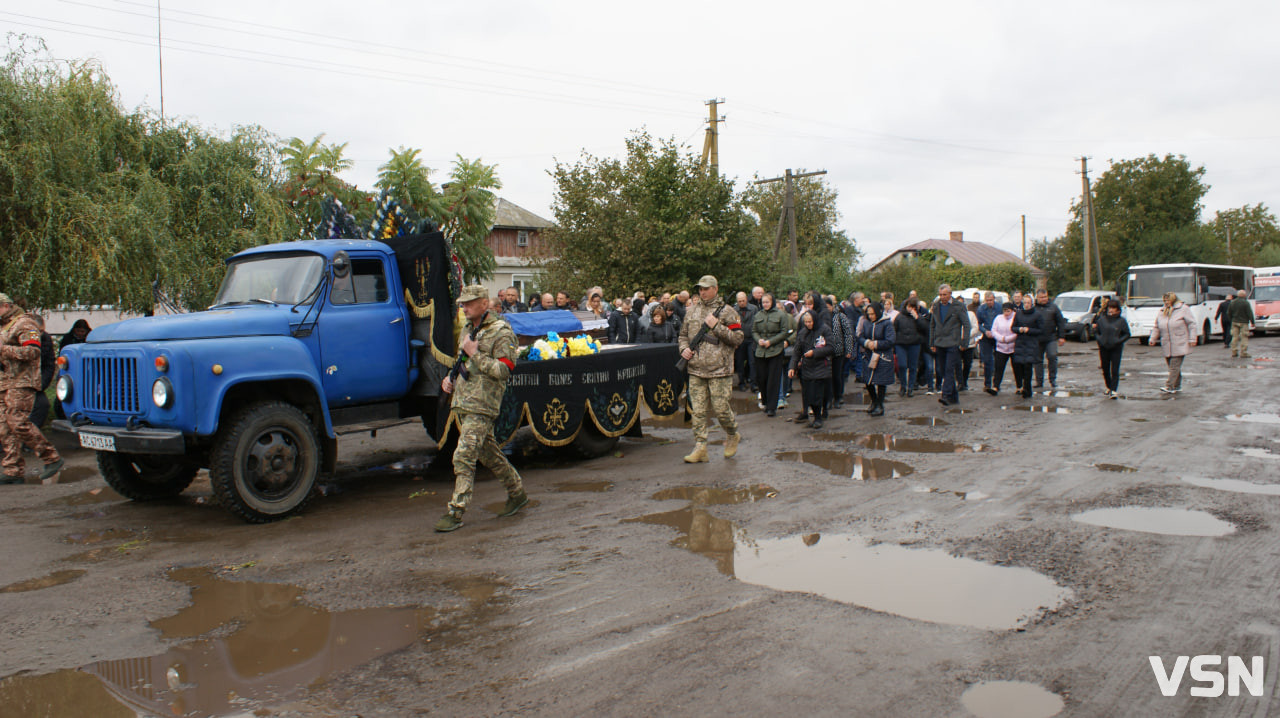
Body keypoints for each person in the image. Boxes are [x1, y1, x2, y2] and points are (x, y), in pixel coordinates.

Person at [434, 286, 527, 532]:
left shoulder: (501, 332)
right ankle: (517, 493)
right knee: (488, 454)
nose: (463, 307)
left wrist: (475, 356)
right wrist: (450, 379)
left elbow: (503, 371)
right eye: (462, 303)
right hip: (465, 400)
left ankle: (456, 511)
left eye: (469, 303)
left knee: (464, 455)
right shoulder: (467, 329)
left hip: (483, 403)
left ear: (484, 304)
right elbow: (462, 360)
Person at [678, 275, 744, 463]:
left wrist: (717, 327)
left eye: (706, 288)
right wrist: (684, 350)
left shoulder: (728, 312)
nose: (703, 292)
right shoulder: (691, 312)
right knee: (697, 411)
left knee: (721, 409)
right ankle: (700, 447)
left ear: (715, 289)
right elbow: (683, 335)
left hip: (719, 369)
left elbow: (738, 338)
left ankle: (732, 433)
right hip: (696, 369)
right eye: (700, 288)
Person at [0, 294, 63, 484]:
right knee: (4, 427)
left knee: (17, 422)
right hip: (5, 382)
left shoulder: (25, 324)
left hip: (22, 382)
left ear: (5, 306)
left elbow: (33, 351)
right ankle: (13, 471)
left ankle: (51, 458)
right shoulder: (4, 327)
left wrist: (3, 350)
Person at [788, 310, 834, 428]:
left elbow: (830, 348)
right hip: (807, 367)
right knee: (808, 394)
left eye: (810, 322)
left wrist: (814, 352)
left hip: (821, 366)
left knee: (817, 394)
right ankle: (815, 414)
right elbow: (797, 351)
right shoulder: (803, 332)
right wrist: (792, 367)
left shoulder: (825, 330)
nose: (808, 324)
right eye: (806, 322)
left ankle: (818, 417)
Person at [929, 284, 971, 406]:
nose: (942, 297)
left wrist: (964, 342)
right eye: (940, 295)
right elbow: (932, 325)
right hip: (940, 342)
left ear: (950, 294)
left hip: (953, 342)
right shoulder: (936, 306)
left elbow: (966, 325)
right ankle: (953, 397)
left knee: (949, 369)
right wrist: (931, 342)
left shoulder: (958, 306)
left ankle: (946, 395)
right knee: (942, 370)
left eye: (945, 295)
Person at [1148, 291, 1196, 394]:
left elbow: (1192, 324)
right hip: (1166, 343)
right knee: (1172, 366)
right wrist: (1152, 338)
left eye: (1168, 300)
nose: (1166, 302)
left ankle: (1169, 386)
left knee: (1174, 366)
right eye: (1164, 300)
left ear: (1173, 300)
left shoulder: (1183, 309)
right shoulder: (1162, 311)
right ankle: (1177, 386)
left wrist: (1192, 339)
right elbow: (1157, 326)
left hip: (1180, 342)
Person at [753, 293, 790, 417]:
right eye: (763, 302)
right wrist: (759, 340)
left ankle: (772, 407)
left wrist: (771, 342)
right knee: (761, 378)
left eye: (767, 302)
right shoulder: (758, 315)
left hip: (775, 351)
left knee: (773, 380)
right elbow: (754, 331)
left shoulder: (781, 314)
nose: (765, 304)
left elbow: (784, 332)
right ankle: (765, 402)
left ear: (772, 302)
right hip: (761, 351)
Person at [858, 303, 896, 417]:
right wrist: (866, 343)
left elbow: (890, 340)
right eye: (869, 314)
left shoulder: (887, 323)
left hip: (882, 356)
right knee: (867, 380)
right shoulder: (866, 323)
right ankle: (874, 401)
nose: (871, 316)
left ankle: (880, 404)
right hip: (869, 355)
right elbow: (860, 337)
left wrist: (877, 344)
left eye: (873, 314)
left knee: (881, 381)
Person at [1091, 298, 1130, 397]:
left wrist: (1118, 341)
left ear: (1118, 310)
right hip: (1104, 347)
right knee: (1105, 368)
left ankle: (1113, 389)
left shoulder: (1121, 321)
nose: (1111, 310)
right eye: (1110, 307)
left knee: (1115, 369)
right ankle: (1109, 387)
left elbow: (1127, 334)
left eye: (1113, 308)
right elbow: (1096, 331)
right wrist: (1099, 339)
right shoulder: (1102, 319)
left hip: (1116, 348)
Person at [1010, 293, 1045, 399]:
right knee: (1019, 366)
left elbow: (1041, 330)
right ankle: (1022, 386)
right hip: (1020, 343)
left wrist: (1029, 330)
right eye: (1024, 303)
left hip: (1031, 343)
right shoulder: (1019, 313)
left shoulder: (1037, 315)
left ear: (1032, 303)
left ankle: (1027, 389)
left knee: (1028, 367)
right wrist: (1019, 329)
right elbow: (1013, 327)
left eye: (1028, 303)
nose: (1026, 305)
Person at [24, 313, 55, 428]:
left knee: (42, 405)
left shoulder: (46, 339)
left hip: (34, 384)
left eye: (40, 331)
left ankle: (29, 438)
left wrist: (40, 385)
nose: (38, 335)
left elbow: (49, 365)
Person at [1033, 290, 1067, 390]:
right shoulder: (1033, 308)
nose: (1044, 299)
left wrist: (1062, 336)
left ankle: (1052, 380)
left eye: (1045, 297)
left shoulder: (1053, 307)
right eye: (1041, 297)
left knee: (1052, 356)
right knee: (1037, 360)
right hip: (1037, 338)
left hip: (1051, 337)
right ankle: (1039, 381)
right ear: (1037, 298)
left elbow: (1060, 322)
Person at [892, 299, 923, 397]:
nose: (910, 309)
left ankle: (910, 388)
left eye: (913, 307)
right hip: (901, 344)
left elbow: (924, 329)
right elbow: (894, 330)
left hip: (914, 344)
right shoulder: (899, 317)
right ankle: (903, 385)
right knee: (902, 365)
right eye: (909, 306)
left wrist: (917, 318)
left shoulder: (918, 317)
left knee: (913, 367)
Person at [828, 299, 854, 408]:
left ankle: (838, 396)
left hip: (839, 351)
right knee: (827, 376)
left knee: (837, 375)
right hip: (826, 352)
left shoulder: (840, 316)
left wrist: (849, 349)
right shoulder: (822, 316)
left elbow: (848, 333)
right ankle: (829, 398)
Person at [988, 302, 1018, 395]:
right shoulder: (998, 318)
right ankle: (996, 386)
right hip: (1001, 347)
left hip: (1013, 347)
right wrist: (1001, 338)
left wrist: (1008, 339)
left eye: (1008, 311)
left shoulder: (1016, 318)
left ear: (1012, 310)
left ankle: (1019, 386)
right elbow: (994, 330)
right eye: (1004, 311)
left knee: (1017, 368)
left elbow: (1016, 332)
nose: (1006, 313)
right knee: (999, 368)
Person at [975, 292, 1000, 393]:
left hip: (997, 336)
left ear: (994, 299)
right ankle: (987, 383)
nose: (989, 302)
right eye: (987, 300)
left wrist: (997, 332)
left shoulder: (999, 308)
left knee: (998, 361)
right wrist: (985, 331)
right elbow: (978, 323)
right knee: (987, 360)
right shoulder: (981, 309)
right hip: (986, 336)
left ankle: (996, 383)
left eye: (991, 300)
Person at [734, 291, 758, 391]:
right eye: (739, 301)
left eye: (743, 301)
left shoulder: (754, 308)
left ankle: (753, 383)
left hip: (751, 338)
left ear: (746, 300)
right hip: (739, 340)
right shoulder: (734, 310)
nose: (742, 303)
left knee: (752, 362)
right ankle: (741, 383)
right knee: (739, 362)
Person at [1227, 289, 1255, 358]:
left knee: (1234, 337)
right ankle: (1243, 352)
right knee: (1244, 337)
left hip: (1234, 321)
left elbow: (1228, 313)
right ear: (1244, 295)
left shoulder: (1232, 302)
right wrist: (1252, 322)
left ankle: (1234, 351)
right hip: (1244, 322)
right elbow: (1249, 313)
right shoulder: (1246, 303)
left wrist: (1231, 320)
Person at [959, 301, 980, 392]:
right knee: (957, 365)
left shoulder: (971, 315)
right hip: (957, 344)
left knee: (967, 364)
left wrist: (966, 336)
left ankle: (964, 381)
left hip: (969, 344)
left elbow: (975, 328)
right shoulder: (954, 315)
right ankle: (960, 382)